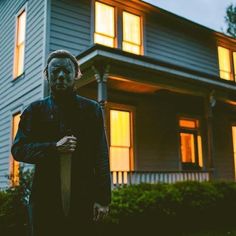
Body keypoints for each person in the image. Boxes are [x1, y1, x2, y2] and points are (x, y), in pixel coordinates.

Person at [11, 49, 111, 236]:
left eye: (66, 71)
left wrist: (103, 199)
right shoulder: (35, 111)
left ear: (76, 75)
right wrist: (53, 147)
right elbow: (18, 149)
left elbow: (101, 155)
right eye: (55, 71)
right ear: (47, 75)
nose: (61, 76)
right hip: (45, 199)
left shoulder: (92, 110)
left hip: (84, 197)